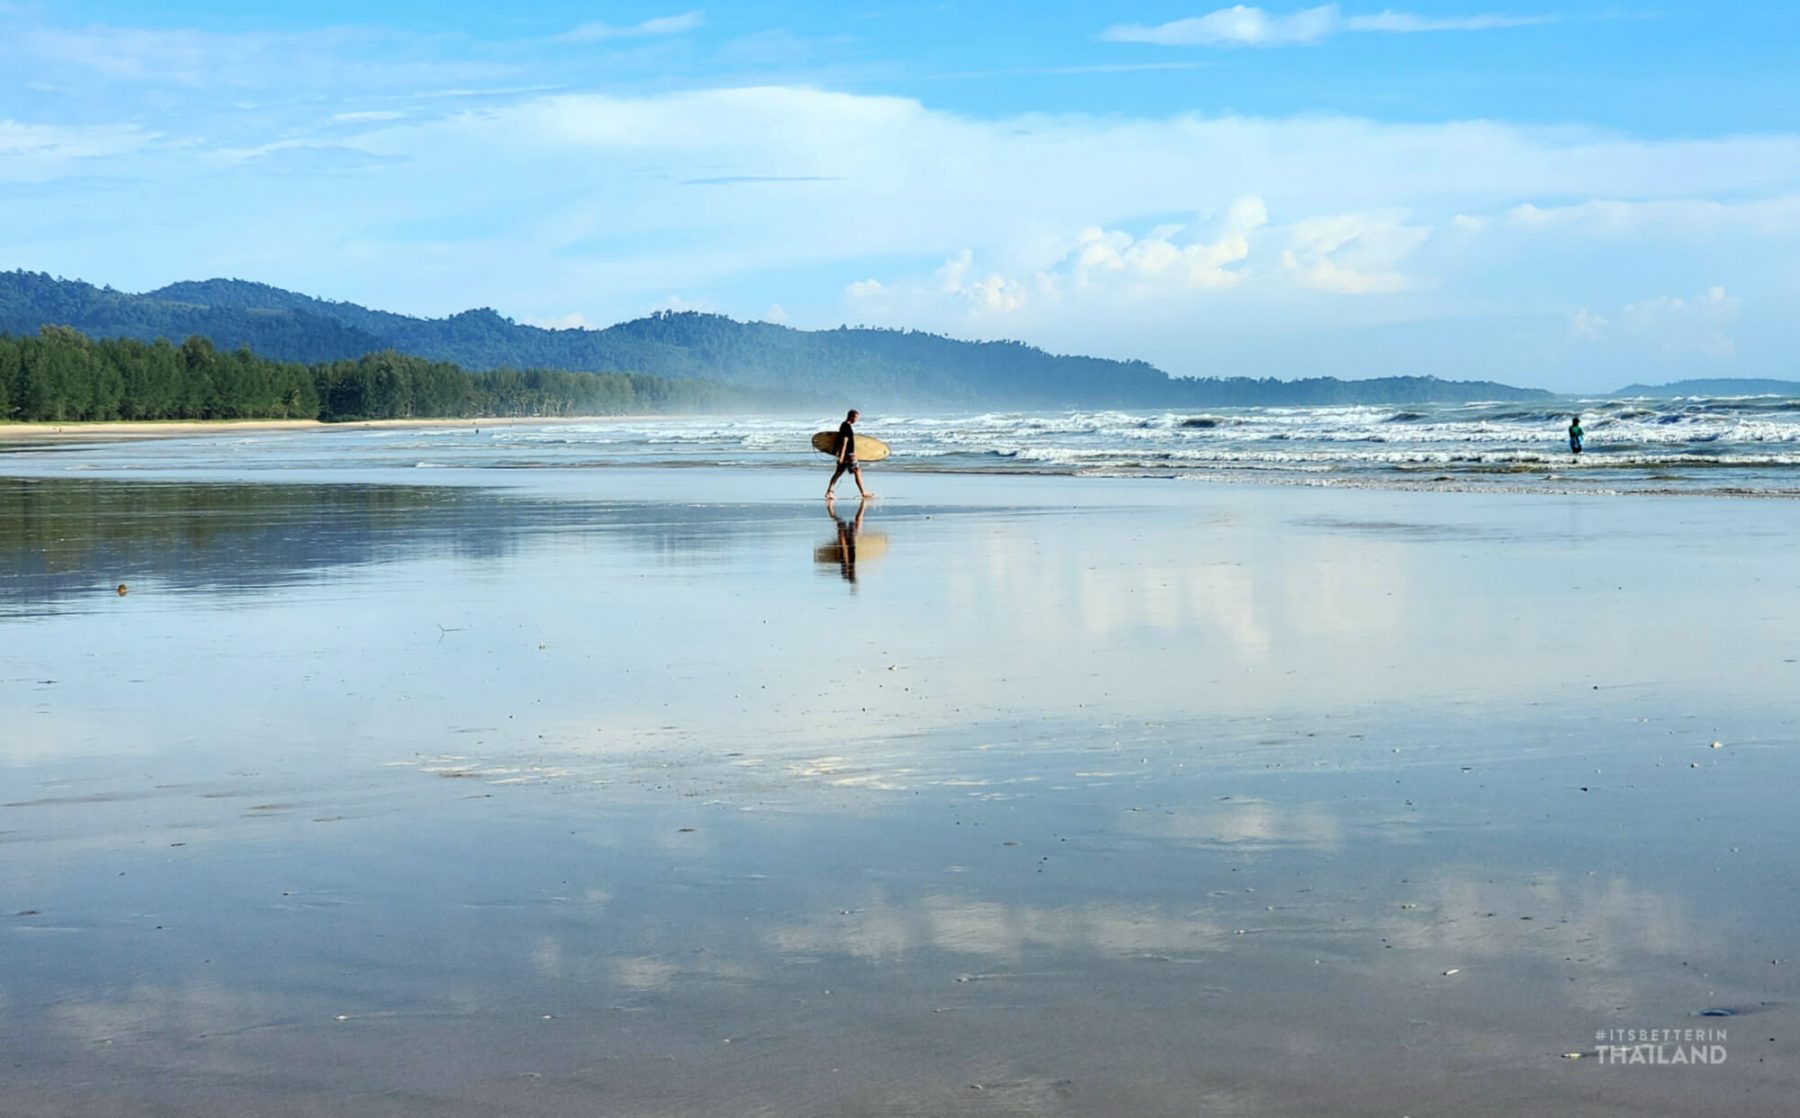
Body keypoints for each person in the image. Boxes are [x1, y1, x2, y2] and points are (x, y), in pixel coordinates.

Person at [825, 408, 872, 500]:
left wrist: (838, 454)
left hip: (845, 454)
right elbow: (844, 442)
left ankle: (829, 492)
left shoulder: (843, 425)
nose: (856, 420)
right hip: (849, 455)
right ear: (851, 416)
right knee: (857, 471)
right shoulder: (846, 427)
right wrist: (841, 456)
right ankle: (863, 492)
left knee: (838, 473)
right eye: (856, 418)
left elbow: (839, 440)